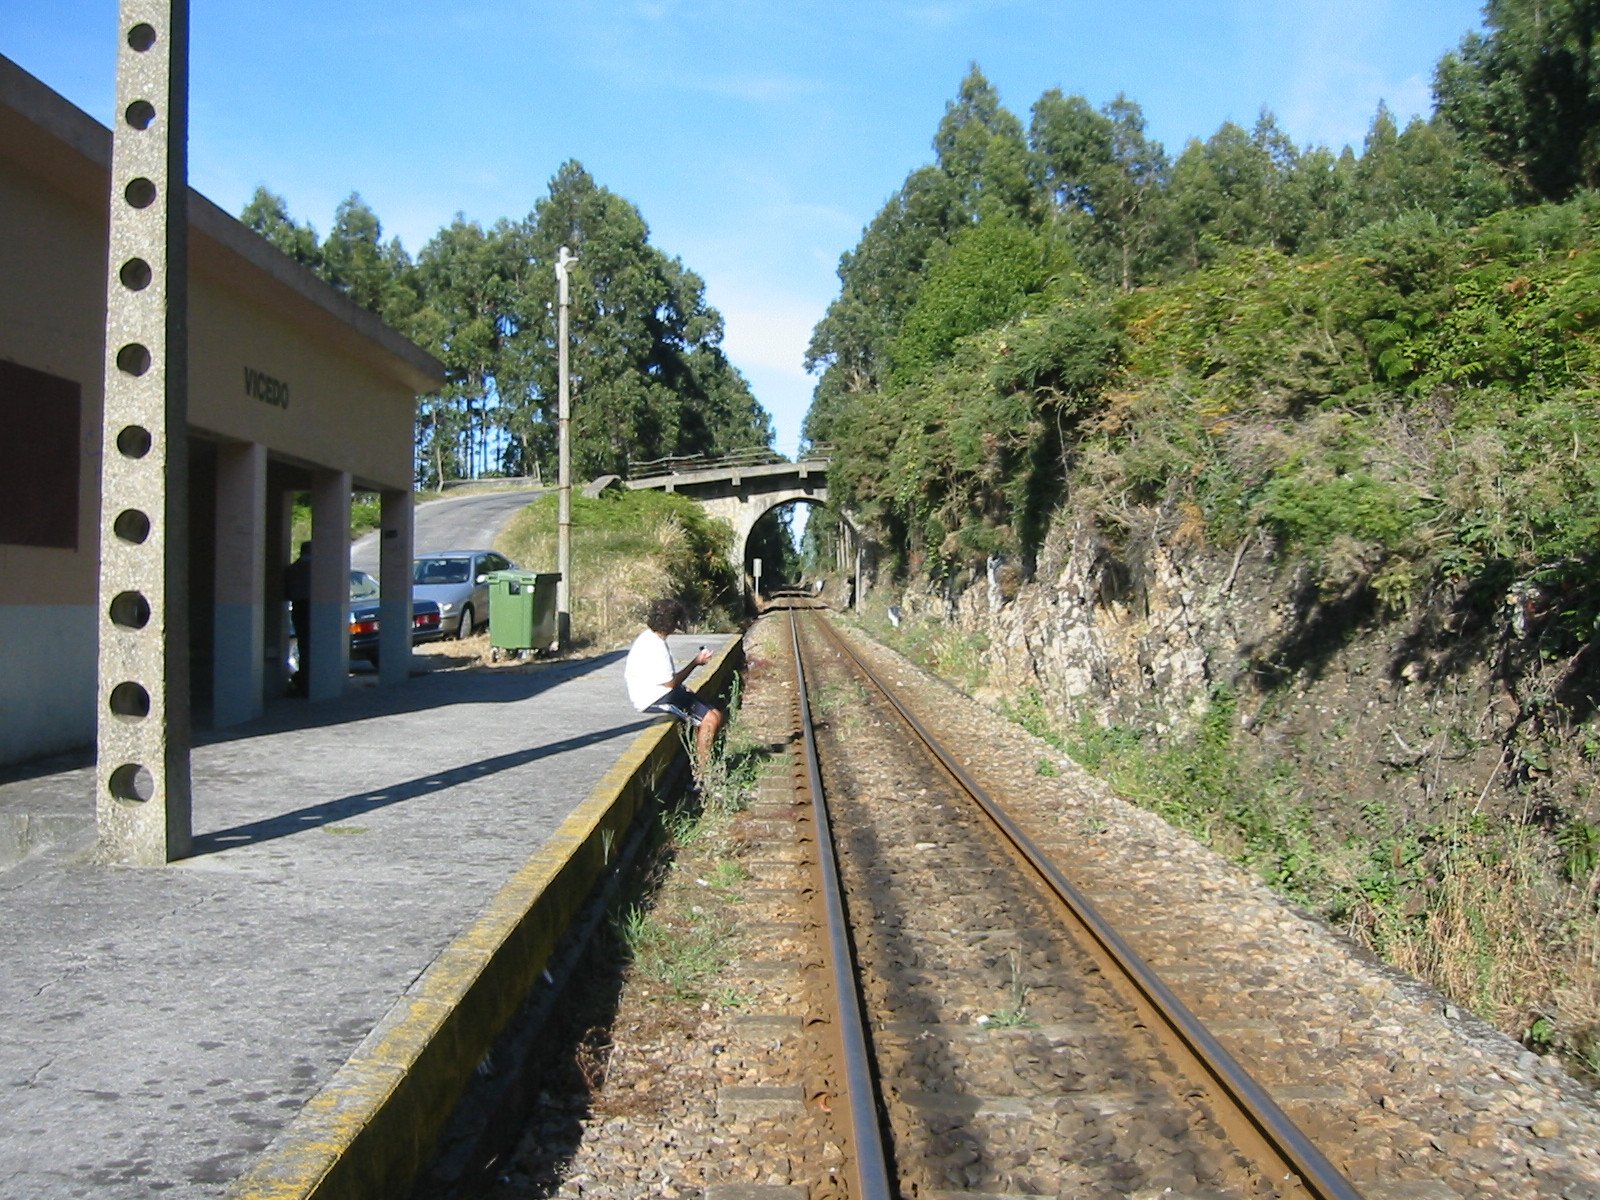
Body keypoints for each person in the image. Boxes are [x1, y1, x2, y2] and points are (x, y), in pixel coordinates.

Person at [624, 597, 725, 776]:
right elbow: (670, 683)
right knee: (710, 719)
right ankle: (702, 777)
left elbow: (664, 680)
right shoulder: (657, 647)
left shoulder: (649, 638)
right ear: (673, 623)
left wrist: (681, 687)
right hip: (652, 699)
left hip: (656, 692)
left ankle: (703, 760)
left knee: (717, 715)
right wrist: (696, 662)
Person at [284, 540, 312, 696]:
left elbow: (286, 592)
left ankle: (303, 679)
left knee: (303, 645)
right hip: (312, 607)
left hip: (298, 607)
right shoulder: (316, 568)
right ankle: (310, 680)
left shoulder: (292, 569)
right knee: (314, 644)